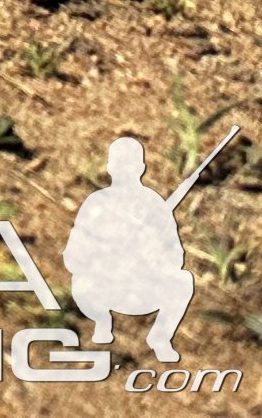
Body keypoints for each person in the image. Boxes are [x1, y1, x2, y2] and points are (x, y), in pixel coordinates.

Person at [65, 136, 193, 362]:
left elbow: (176, 255)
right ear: (110, 167)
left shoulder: (154, 204)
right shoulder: (96, 203)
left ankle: (160, 337)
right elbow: (73, 256)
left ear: (141, 168)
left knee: (183, 281)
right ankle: (101, 321)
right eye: (120, 164)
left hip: (141, 287)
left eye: (131, 164)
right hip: (102, 287)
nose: (125, 171)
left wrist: (152, 253)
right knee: (80, 282)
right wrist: (105, 255)